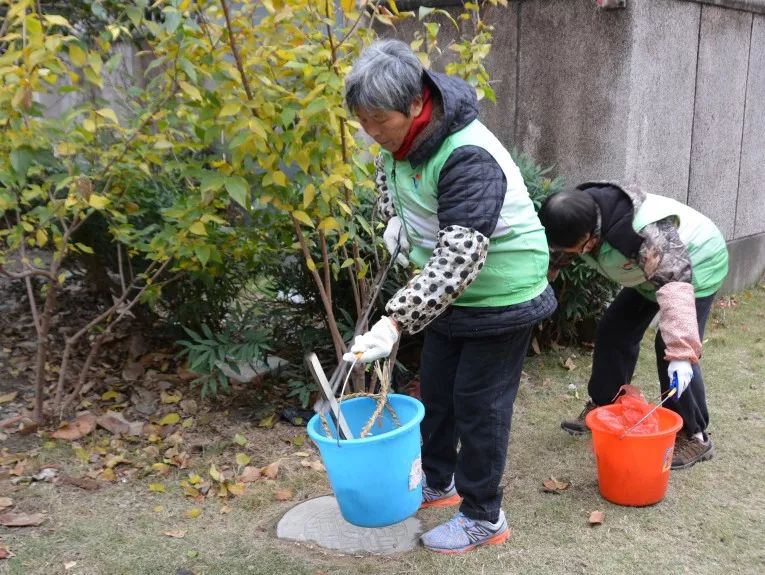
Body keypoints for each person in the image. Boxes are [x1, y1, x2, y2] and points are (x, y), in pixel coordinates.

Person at [342, 39, 556, 554]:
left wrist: (394, 321)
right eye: (362, 121)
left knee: (479, 407)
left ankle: (485, 516)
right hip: (447, 299)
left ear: (416, 104)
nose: (371, 133)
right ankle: (438, 480)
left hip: (503, 293)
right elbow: (392, 186)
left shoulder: (468, 154)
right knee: (436, 394)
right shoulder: (401, 143)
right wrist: (395, 219)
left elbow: (459, 259)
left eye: (378, 120)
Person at [538, 182, 728, 469]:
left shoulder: (640, 234)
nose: (567, 253)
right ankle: (606, 407)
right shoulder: (572, 216)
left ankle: (695, 435)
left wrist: (681, 353)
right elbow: (556, 255)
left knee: (670, 349)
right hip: (646, 274)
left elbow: (675, 284)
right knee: (614, 330)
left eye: (574, 248)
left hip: (695, 263)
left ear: (589, 238)